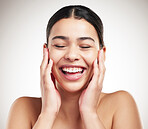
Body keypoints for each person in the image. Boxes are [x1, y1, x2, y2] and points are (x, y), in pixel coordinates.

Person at [6, 5, 142, 129]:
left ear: (102, 54)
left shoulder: (120, 104)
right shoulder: (23, 108)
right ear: (46, 51)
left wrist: (90, 114)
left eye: (85, 46)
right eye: (59, 45)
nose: (71, 56)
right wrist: (47, 114)